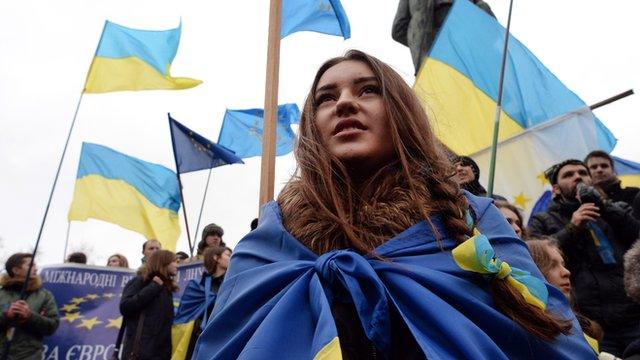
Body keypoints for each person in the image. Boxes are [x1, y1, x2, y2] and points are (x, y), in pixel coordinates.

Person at [194, 50, 593, 359]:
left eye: (368, 90)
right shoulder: (270, 236)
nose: (344, 104)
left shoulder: (474, 216)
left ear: (402, 113)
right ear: (313, 126)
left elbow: (549, 335)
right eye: (325, 98)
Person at [528, 159, 640, 356]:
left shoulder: (616, 208)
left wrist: (603, 207)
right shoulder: (543, 220)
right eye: (568, 175)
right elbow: (538, 259)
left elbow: (635, 234)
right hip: (592, 324)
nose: (577, 177)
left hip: (634, 316)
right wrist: (572, 228)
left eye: (582, 172)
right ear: (555, 188)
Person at [527, 239, 604, 350]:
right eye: (553, 265)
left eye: (563, 265)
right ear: (535, 270)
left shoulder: (581, 325)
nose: (566, 272)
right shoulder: (533, 333)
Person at [392, 0, 495, 74]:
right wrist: (421, 42)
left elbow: (485, 14)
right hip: (431, 46)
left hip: (464, 38)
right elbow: (398, 29)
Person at [174, 246, 232, 359]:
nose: (231, 258)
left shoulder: (232, 283)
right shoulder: (197, 285)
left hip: (222, 338)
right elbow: (184, 314)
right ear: (216, 258)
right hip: (197, 339)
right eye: (228, 255)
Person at [120, 250, 178, 360]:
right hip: (139, 353)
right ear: (163, 262)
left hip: (160, 354)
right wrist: (153, 287)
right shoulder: (140, 281)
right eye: (174, 261)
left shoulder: (166, 290)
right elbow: (125, 307)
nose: (177, 265)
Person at [0, 253, 59, 359]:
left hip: (29, 356)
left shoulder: (45, 296)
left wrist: (30, 316)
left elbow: (52, 326)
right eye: (31, 265)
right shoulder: (1, 294)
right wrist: (6, 316)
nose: (36, 269)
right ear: (16, 270)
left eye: (35, 265)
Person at [585, 150, 640, 216]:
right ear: (586, 173)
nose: (599, 170)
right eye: (594, 167)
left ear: (613, 170)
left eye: (604, 166)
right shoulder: (585, 204)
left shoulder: (634, 193)